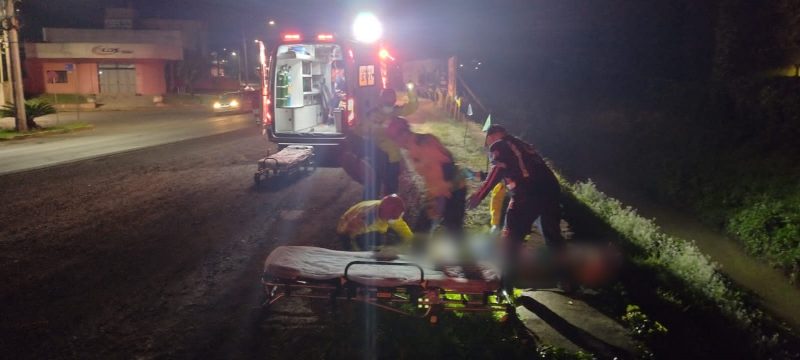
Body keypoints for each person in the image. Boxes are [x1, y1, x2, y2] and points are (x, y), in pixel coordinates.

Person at [466, 125, 564, 285]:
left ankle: (506, 283)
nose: (488, 142)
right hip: (550, 192)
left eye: (488, 138)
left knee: (511, 236)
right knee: (552, 236)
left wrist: (479, 194)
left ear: (494, 134)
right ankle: (565, 278)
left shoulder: (500, 145)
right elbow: (513, 170)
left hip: (527, 194)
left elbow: (498, 169)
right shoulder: (519, 145)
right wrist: (478, 175)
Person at [385, 117, 466, 236]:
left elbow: (443, 166)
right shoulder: (415, 145)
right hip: (444, 190)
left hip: (451, 189)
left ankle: (418, 251)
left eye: (394, 139)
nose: (395, 143)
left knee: (448, 228)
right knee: (444, 228)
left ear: (402, 134)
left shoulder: (422, 143)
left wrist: (439, 199)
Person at [337, 194, 414, 250]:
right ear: (385, 213)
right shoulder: (366, 217)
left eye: (395, 217)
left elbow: (400, 225)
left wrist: (411, 239)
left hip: (367, 227)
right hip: (347, 228)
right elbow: (349, 233)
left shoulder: (388, 210)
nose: (393, 219)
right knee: (377, 241)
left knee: (384, 238)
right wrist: (357, 254)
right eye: (392, 217)